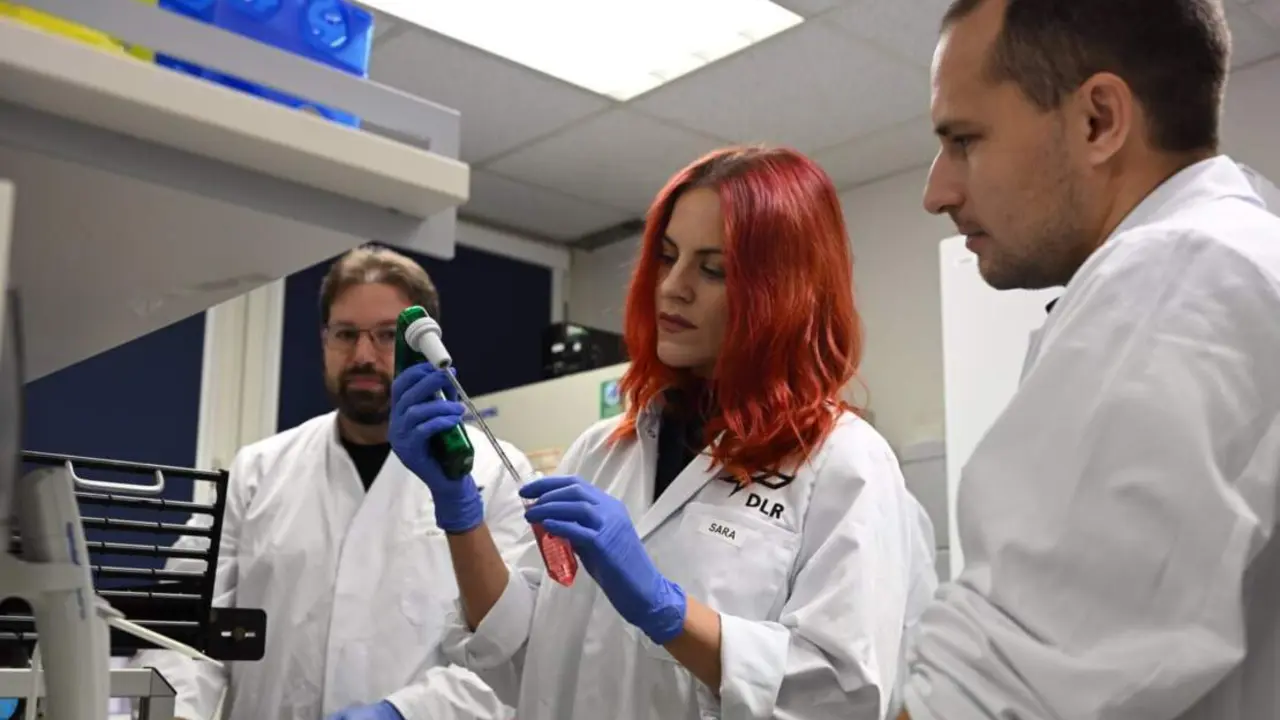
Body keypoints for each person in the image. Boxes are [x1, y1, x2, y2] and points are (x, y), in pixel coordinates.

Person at [391, 146, 939, 720]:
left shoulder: (844, 463)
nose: (672, 287)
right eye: (668, 257)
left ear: (786, 290)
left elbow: (841, 698)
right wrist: (459, 509)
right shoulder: (604, 449)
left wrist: (665, 609)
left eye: (713, 269)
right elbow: (514, 658)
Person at [900, 1, 1280, 719]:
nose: (937, 192)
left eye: (964, 140)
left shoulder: (1179, 276)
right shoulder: (1232, 254)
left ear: (1098, 121)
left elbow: (993, 693)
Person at [132, 246, 531, 720]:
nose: (364, 355)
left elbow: (511, 650)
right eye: (346, 334)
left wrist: (402, 715)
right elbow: (181, 633)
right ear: (325, 341)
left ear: (424, 345)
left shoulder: (494, 475)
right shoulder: (256, 473)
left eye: (388, 336)